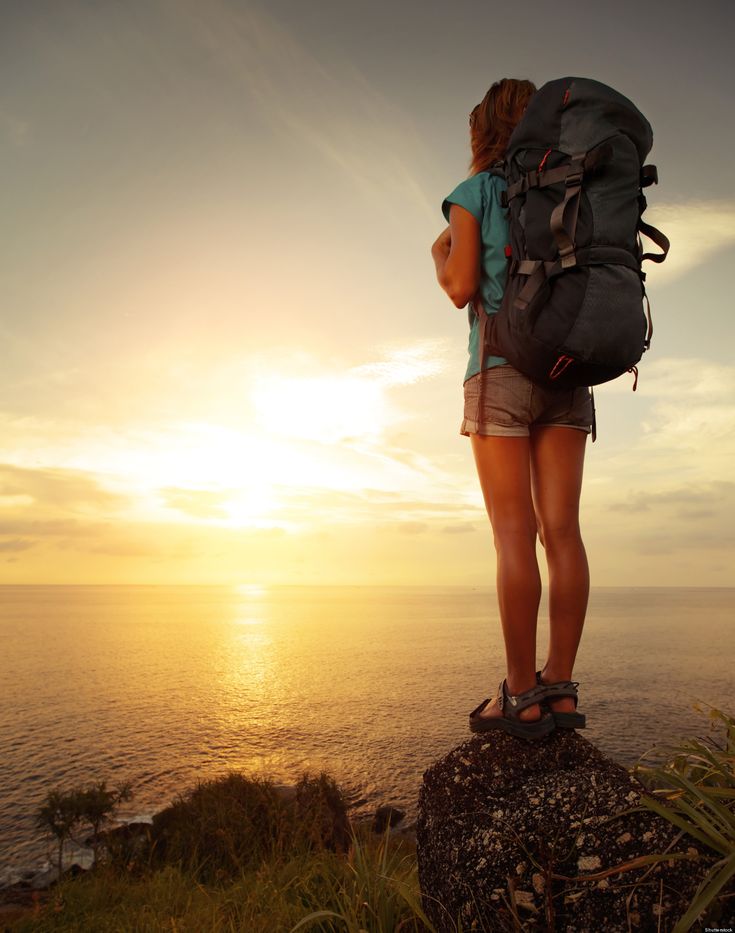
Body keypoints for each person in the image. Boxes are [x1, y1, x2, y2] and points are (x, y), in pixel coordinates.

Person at [430, 78, 593, 740]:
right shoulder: (573, 187)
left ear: (481, 133)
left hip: (499, 369)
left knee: (511, 532)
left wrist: (437, 258)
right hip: (567, 371)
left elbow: (462, 286)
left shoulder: (472, 194)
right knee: (562, 530)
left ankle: (520, 693)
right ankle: (560, 688)